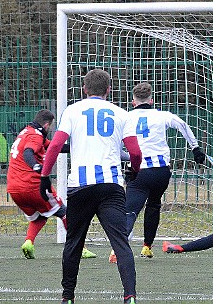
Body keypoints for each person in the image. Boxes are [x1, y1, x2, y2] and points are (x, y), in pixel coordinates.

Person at [39, 69, 142, 304]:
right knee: (120, 243)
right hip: (110, 187)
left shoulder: (73, 111)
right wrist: (134, 171)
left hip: (81, 187)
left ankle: (67, 297)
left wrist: (45, 176)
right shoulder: (121, 114)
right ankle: (130, 296)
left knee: (74, 243)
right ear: (108, 90)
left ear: (84, 89)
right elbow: (135, 152)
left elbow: (55, 146)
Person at [109, 82, 205, 263]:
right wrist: (195, 148)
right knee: (154, 205)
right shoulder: (163, 115)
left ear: (133, 102)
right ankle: (147, 247)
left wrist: (126, 158)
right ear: (151, 100)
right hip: (161, 172)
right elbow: (183, 125)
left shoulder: (125, 118)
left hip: (140, 170)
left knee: (130, 211)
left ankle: (117, 250)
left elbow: (118, 148)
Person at [7, 109, 96, 260]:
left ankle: (29, 242)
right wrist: (37, 167)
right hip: (32, 186)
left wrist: (79, 148)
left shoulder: (26, 132)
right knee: (65, 212)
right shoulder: (35, 136)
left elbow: (55, 147)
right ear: (47, 125)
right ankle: (81, 248)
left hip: (14, 188)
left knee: (40, 216)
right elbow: (28, 153)